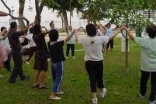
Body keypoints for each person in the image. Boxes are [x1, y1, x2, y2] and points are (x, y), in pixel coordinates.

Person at [76, 24, 122, 104]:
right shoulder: (100, 38)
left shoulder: (84, 39)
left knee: (92, 79)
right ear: (95, 30)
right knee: (98, 77)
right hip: (98, 62)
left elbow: (77, 39)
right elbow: (111, 37)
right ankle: (98, 94)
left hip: (89, 63)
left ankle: (97, 95)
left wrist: (76, 32)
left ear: (87, 31)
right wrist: (119, 30)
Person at [122, 25, 156, 104]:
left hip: (145, 66)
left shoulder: (144, 41)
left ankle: (142, 94)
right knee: (154, 83)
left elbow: (133, 38)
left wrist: (126, 30)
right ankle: (151, 99)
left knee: (143, 80)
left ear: (147, 32)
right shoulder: (145, 41)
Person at [48, 29, 76, 100]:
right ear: (57, 36)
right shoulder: (58, 44)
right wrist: (72, 32)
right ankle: (53, 95)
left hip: (53, 63)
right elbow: (68, 38)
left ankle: (57, 90)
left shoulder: (49, 43)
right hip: (59, 63)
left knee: (55, 78)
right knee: (58, 78)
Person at [32, 24, 49, 88]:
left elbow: (44, 33)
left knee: (38, 69)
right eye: (40, 28)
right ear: (39, 29)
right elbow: (47, 32)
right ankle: (41, 84)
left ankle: (35, 83)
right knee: (43, 69)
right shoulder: (40, 35)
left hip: (38, 53)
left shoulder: (34, 36)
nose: (41, 29)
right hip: (43, 53)